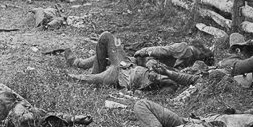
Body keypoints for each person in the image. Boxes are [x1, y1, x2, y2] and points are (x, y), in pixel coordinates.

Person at [64, 31, 213, 91]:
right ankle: (81, 64)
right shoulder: (188, 69)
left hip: (133, 66)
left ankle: (80, 65)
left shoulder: (185, 48)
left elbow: (161, 50)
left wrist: (144, 51)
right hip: (136, 70)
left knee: (108, 37)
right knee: (113, 56)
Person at [150, 33, 253, 89]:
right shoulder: (238, 65)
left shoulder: (223, 63)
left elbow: (191, 79)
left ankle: (166, 72)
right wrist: (252, 42)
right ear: (238, 51)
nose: (250, 55)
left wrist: (167, 72)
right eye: (248, 51)